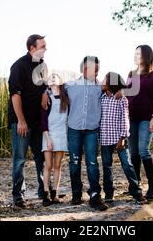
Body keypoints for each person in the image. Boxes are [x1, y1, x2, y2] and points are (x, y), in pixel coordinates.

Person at [43, 56, 108, 211]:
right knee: (74, 162)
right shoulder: (70, 85)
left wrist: (119, 91)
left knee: (92, 162)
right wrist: (45, 92)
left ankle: (95, 195)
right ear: (84, 69)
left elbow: (119, 87)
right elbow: (53, 86)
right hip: (74, 130)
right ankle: (76, 194)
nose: (97, 72)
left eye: (98, 69)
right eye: (94, 69)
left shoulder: (100, 86)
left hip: (92, 129)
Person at [8, 34, 48, 208]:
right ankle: (18, 195)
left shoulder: (42, 65)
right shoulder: (18, 66)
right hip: (21, 122)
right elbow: (15, 95)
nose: (46, 49)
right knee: (19, 160)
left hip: (37, 121)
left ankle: (43, 192)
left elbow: (44, 86)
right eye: (43, 46)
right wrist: (21, 121)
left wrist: (45, 93)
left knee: (41, 158)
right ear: (32, 48)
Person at [99, 72, 147, 204]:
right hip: (105, 138)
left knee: (127, 165)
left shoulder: (121, 99)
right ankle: (108, 193)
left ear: (111, 83)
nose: (102, 82)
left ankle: (136, 191)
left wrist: (123, 137)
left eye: (105, 79)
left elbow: (125, 119)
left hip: (119, 138)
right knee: (107, 166)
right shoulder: (101, 98)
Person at [125, 45, 153, 201]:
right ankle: (136, 186)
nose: (135, 56)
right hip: (131, 118)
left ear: (146, 56)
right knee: (133, 153)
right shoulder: (131, 74)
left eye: (138, 53)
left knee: (143, 150)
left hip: (146, 118)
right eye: (134, 53)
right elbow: (126, 95)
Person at [40, 73, 69, 207]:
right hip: (48, 134)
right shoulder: (46, 96)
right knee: (48, 165)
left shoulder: (65, 97)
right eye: (50, 76)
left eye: (55, 76)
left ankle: (55, 194)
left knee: (57, 165)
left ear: (60, 81)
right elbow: (43, 119)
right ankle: (45, 194)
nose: (52, 77)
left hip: (61, 134)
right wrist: (47, 138)